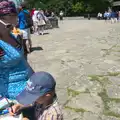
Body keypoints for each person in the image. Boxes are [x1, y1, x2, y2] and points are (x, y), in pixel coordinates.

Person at [0, 0, 34, 99]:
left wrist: (35, 77)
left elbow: (23, 60)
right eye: (13, 16)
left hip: (28, 83)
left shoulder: (15, 36)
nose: (17, 19)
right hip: (11, 92)